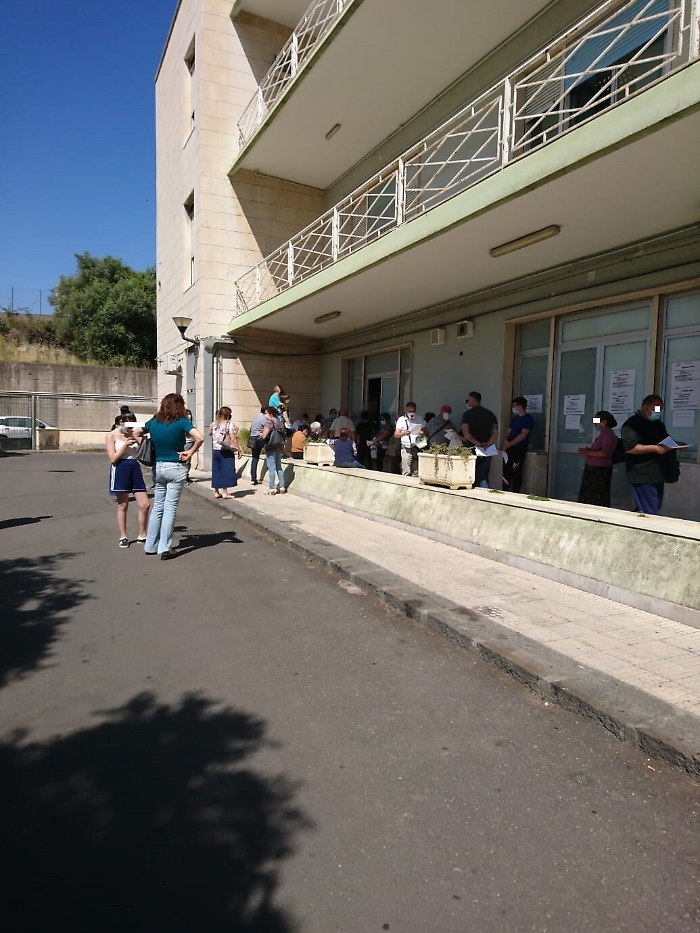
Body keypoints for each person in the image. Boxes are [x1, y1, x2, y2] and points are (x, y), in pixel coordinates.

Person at [143, 393, 204, 559]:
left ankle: (150, 545)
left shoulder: (154, 421)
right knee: (169, 508)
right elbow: (200, 437)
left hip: (159, 467)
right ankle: (165, 547)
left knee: (158, 506)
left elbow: (136, 431)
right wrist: (190, 452)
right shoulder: (182, 422)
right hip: (175, 466)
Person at [621, 394, 682, 515]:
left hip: (658, 472)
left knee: (653, 506)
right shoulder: (632, 424)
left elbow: (665, 440)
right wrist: (655, 449)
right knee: (650, 509)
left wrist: (677, 444)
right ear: (645, 408)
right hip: (641, 473)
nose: (659, 412)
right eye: (657, 409)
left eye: (661, 409)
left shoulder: (657, 424)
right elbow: (629, 448)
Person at [105, 414, 149, 548]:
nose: (130, 429)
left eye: (133, 426)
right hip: (120, 468)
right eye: (128, 426)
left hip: (134, 467)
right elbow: (113, 458)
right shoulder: (111, 435)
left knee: (145, 504)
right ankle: (123, 536)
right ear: (121, 423)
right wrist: (125, 445)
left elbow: (145, 450)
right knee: (123, 505)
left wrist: (137, 437)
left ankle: (143, 534)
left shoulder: (133, 434)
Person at [576, 410, 619, 507]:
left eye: (597, 420)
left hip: (600, 470)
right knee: (588, 496)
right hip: (593, 468)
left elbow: (605, 453)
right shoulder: (603, 434)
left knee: (597, 496)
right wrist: (588, 451)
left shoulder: (609, 434)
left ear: (604, 422)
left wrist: (588, 452)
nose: (594, 423)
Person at [460, 391, 499, 489]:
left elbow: (466, 434)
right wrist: (487, 444)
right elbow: (495, 432)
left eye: (468, 400)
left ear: (473, 400)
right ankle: (485, 497)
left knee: (469, 475)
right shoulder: (490, 414)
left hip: (470, 448)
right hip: (486, 450)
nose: (467, 403)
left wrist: (477, 443)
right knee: (483, 476)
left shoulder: (467, 415)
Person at [502, 396, 535, 494]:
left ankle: (515, 492)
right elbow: (508, 431)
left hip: (519, 449)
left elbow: (523, 434)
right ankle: (505, 490)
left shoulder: (528, 419)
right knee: (506, 470)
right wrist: (505, 442)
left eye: (515, 406)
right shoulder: (514, 419)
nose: (514, 408)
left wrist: (510, 443)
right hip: (509, 449)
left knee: (516, 470)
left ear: (520, 406)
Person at [209, 406, 241, 499]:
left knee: (216, 470)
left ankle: (216, 491)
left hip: (215, 450)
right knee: (226, 470)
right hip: (226, 450)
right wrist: (238, 449)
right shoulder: (229, 424)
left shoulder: (214, 424)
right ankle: (225, 492)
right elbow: (233, 438)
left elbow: (211, 434)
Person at [261, 405, 287, 495]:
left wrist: (261, 436)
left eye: (266, 413)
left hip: (271, 447)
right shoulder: (280, 423)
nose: (265, 415)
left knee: (271, 468)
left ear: (270, 413)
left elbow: (264, 435)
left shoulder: (269, 423)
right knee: (279, 467)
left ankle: (271, 488)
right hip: (279, 447)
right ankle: (282, 487)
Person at [395, 401, 420, 476]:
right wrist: (403, 433)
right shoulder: (401, 420)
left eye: (413, 411)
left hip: (416, 446)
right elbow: (396, 434)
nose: (412, 413)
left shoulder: (419, 418)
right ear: (406, 410)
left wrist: (422, 432)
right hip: (406, 446)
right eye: (410, 411)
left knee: (416, 470)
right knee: (406, 469)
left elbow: (425, 430)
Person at [249, 407, 267, 486]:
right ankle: (254, 478)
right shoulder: (264, 419)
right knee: (256, 458)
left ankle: (253, 478)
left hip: (252, 438)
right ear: (266, 411)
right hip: (259, 439)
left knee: (254, 458)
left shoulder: (255, 417)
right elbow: (268, 428)